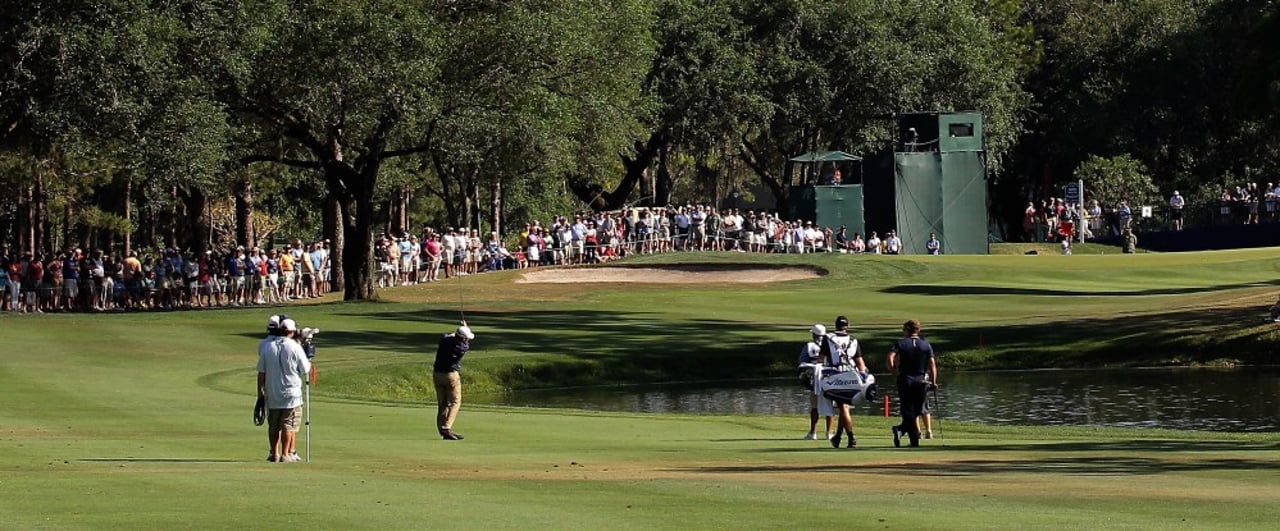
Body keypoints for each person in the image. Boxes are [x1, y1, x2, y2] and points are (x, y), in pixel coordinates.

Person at [257, 317, 311, 462]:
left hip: (272, 391)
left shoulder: (267, 347)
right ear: (291, 332)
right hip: (292, 393)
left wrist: (260, 394)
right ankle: (286, 454)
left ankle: (274, 453)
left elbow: (261, 373)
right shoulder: (295, 347)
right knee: (288, 423)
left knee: (273, 425)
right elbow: (305, 369)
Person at [887, 319, 937, 448]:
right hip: (921, 380)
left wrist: (893, 370)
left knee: (908, 410)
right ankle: (911, 438)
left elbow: (890, 357)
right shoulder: (926, 344)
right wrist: (934, 381)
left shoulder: (901, 343)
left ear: (907, 330)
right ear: (918, 330)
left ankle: (902, 430)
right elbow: (932, 365)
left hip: (905, 379)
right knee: (916, 410)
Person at [822, 316, 865, 449]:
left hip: (836, 375)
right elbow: (860, 363)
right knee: (844, 407)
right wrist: (864, 377)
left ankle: (851, 438)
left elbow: (820, 359)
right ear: (847, 326)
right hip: (852, 374)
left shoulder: (828, 338)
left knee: (843, 407)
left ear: (835, 325)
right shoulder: (853, 340)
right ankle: (838, 437)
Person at [433, 321, 474, 440]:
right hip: (451, 376)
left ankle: (442, 428)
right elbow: (463, 339)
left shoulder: (445, 341)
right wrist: (465, 327)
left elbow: (449, 335)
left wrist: (461, 329)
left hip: (437, 374)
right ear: (463, 339)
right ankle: (446, 428)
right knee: (455, 402)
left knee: (443, 403)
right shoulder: (462, 347)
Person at [797, 324, 832, 441]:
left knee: (814, 407)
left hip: (815, 379)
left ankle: (813, 433)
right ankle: (829, 433)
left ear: (814, 334)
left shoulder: (809, 346)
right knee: (829, 405)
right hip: (829, 378)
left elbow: (802, 362)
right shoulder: (831, 345)